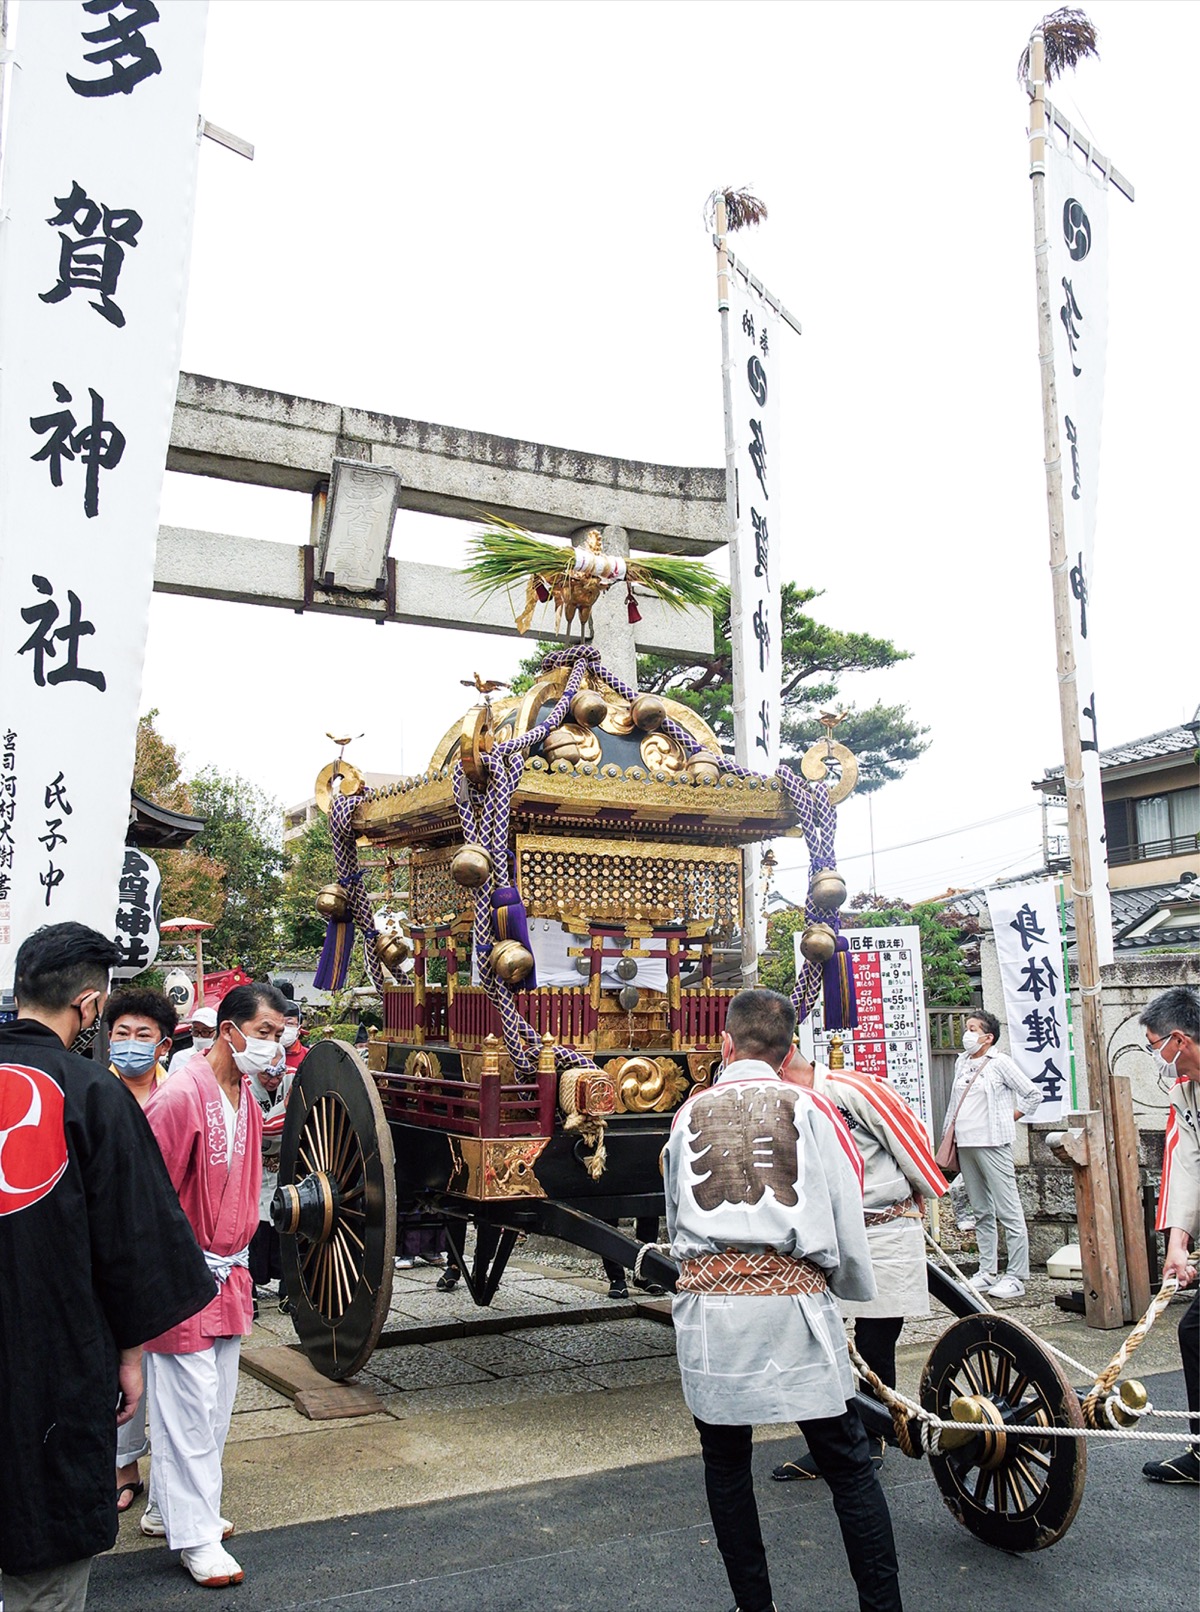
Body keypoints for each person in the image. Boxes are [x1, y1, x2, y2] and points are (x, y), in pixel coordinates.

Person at [662, 989, 902, 1612]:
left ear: (725, 1043)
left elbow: (674, 1217)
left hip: (710, 1309)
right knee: (848, 1464)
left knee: (726, 1462)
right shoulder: (810, 1107)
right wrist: (848, 1292)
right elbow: (845, 1207)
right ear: (789, 1049)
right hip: (795, 1303)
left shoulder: (687, 1115)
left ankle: (754, 1606)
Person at [0, 924, 214, 1612]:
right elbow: (132, 1245)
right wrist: (129, 1356)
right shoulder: (95, 1093)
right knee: (43, 1561)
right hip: (53, 1362)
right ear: (90, 1007)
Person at [139, 981, 286, 1588]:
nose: (275, 1046)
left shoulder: (244, 1096)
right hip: (182, 1272)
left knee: (212, 1408)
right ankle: (196, 1537)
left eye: (281, 1035)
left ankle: (166, 1510)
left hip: (230, 1269)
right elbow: (146, 1195)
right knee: (191, 1410)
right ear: (230, 1031)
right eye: (267, 1033)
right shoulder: (179, 1095)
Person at [773, 1048, 948, 1482]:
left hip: (883, 1222)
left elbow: (907, 1138)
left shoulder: (850, 1089)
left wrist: (924, 1193)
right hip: (822, 1231)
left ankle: (872, 1437)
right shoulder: (780, 1100)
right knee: (820, 1337)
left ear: (783, 1056)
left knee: (876, 1335)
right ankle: (841, 1436)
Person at [104, 988, 179, 1513]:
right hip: (109, 1243)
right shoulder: (91, 1093)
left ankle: (174, 1479)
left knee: (164, 1364)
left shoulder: (177, 1094)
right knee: (115, 1360)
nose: (130, 1045)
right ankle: (121, 1464)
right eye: (121, 1034)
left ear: (164, 1045)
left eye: (142, 1036)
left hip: (167, 1242)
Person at [939, 1009, 1042, 1299]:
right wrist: (949, 1134)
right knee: (981, 1210)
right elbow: (954, 1103)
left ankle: (1017, 1275)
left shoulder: (1000, 1063)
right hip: (967, 1142)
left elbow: (1032, 1093)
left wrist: (1013, 1115)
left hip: (993, 1142)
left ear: (988, 1037)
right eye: (967, 1027)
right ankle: (987, 1270)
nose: (967, 1033)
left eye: (973, 1029)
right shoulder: (962, 1062)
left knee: (1008, 1210)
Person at [1140, 986, 1200, 1485]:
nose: (1155, 1055)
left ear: (1179, 1039)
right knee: (1195, 1330)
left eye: (1155, 1044)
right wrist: (1178, 1243)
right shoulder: (1186, 1092)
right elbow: (1186, 1165)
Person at [247, 1038, 294, 1302]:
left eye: (278, 1073)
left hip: (285, 1168)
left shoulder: (293, 1079)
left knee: (288, 1225)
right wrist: (287, 1108)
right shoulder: (244, 1085)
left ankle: (289, 1291)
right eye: (266, 1073)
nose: (272, 1080)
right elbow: (262, 1128)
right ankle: (249, 1292)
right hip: (255, 1168)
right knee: (255, 1233)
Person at [167, 1004, 217, 1076]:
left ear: (216, 1032)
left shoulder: (222, 1059)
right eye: (196, 1031)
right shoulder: (179, 1058)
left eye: (205, 1032)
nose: (200, 1036)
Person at [280, 999, 307, 1074]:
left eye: (289, 1023)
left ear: (299, 1028)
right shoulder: (263, 1054)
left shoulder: (309, 1056)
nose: (283, 1028)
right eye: (279, 1022)